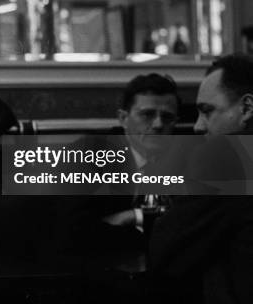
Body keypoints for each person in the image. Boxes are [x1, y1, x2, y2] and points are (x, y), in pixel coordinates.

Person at [149, 53, 253, 303]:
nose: (197, 126)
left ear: (247, 108)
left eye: (207, 111)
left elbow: (165, 256)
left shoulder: (226, 160)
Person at [55, 73, 181, 252]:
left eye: (168, 118)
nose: (159, 124)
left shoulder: (186, 155)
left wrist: (134, 216)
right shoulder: (88, 155)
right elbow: (75, 232)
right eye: (148, 115)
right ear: (123, 118)